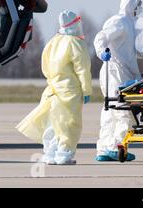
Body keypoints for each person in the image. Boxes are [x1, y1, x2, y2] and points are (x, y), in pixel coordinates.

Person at [16, 11, 92, 165]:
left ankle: (50, 153)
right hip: (69, 91)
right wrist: (87, 90)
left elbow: (45, 67)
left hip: (52, 90)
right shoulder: (76, 43)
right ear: (74, 23)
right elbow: (83, 69)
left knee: (52, 122)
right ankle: (64, 154)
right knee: (69, 123)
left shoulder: (52, 42)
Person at [94, 0, 143, 162]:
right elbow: (101, 37)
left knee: (110, 110)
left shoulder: (131, 24)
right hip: (115, 71)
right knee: (121, 111)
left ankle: (104, 148)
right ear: (131, 5)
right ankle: (117, 147)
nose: (140, 9)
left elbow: (131, 50)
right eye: (138, 5)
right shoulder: (120, 21)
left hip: (120, 72)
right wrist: (101, 52)